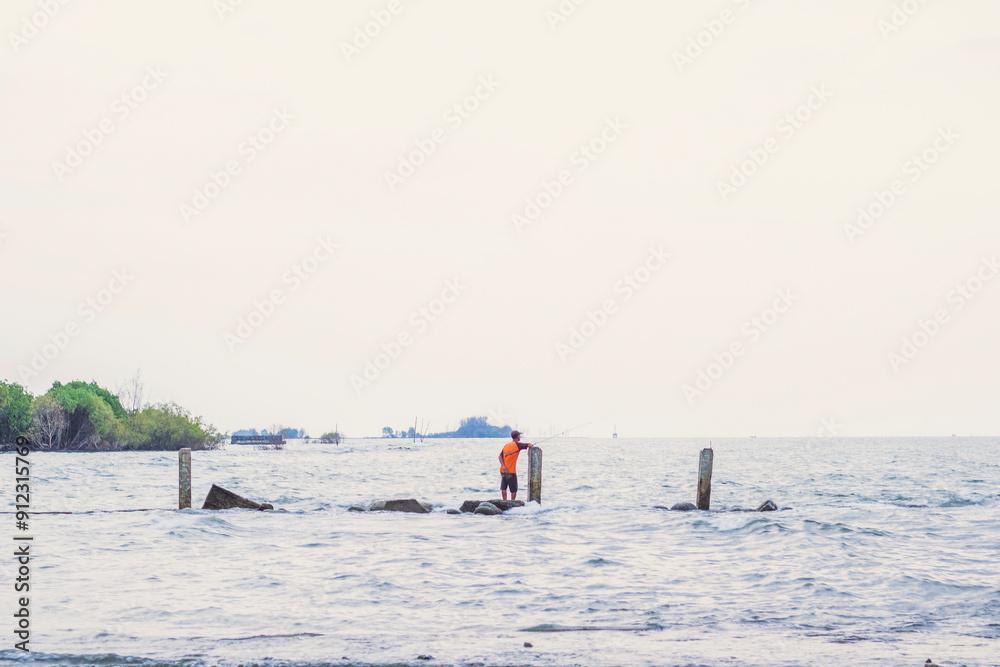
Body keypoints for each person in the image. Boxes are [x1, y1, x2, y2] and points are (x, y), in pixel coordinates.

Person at [498, 430, 533, 500]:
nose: (520, 436)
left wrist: (504, 466)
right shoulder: (518, 445)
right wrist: (531, 445)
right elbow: (529, 445)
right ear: (517, 437)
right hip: (511, 471)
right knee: (513, 490)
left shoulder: (506, 445)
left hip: (503, 470)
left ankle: (504, 501)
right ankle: (512, 502)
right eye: (519, 435)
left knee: (504, 487)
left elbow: (500, 456)